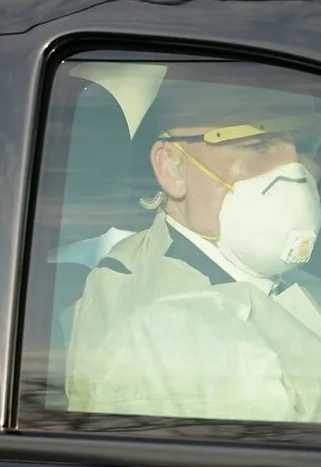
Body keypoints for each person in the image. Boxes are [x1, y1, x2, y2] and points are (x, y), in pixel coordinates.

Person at [66, 76, 321, 422]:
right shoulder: (153, 323)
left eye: (305, 142)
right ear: (173, 168)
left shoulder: (285, 275)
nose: (296, 166)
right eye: (256, 143)